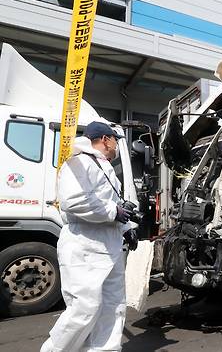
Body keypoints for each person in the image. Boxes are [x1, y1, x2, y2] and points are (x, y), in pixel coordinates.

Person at [41, 121, 138, 352]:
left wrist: (126, 228)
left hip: (108, 246)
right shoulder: (80, 162)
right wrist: (115, 212)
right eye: (115, 140)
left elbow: (110, 205)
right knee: (84, 309)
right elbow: (73, 201)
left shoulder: (104, 167)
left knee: (113, 306)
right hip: (84, 245)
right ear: (105, 139)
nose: (116, 146)